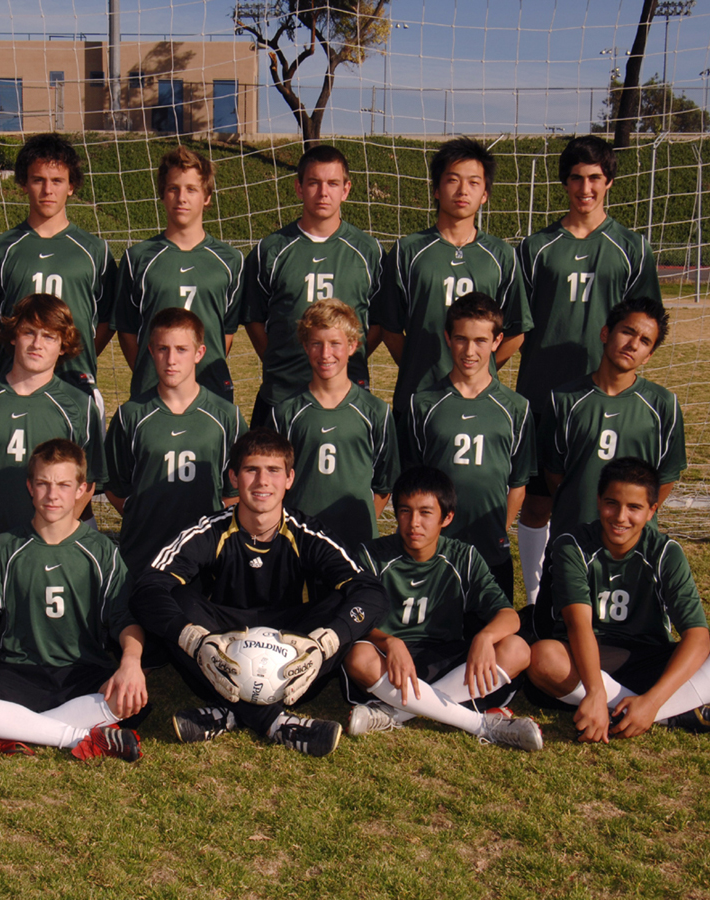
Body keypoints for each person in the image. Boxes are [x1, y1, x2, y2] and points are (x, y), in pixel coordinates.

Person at [130, 429, 389, 757]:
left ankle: (225, 714)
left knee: (341, 602)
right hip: (221, 642)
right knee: (176, 599)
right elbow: (147, 588)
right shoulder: (210, 530)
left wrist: (326, 643)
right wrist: (193, 641)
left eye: (274, 471)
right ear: (234, 477)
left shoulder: (307, 533)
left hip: (291, 645)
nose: (262, 481)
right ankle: (277, 723)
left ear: (290, 478)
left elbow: (371, 592)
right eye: (252, 470)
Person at [515, 135, 663, 605]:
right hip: (543, 392)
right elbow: (517, 323)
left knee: (598, 500)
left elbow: (648, 322)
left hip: (604, 395)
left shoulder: (630, 248)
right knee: (538, 502)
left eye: (595, 178)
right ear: (565, 183)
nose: (586, 187)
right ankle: (541, 596)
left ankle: (604, 596)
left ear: (609, 182)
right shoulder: (537, 247)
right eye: (577, 178)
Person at [0, 439, 144, 762]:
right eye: (44, 484)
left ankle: (2, 731)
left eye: (63, 485)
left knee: (131, 697)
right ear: (30, 487)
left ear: (82, 489)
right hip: (18, 672)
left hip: (82, 671)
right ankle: (80, 735)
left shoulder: (102, 551)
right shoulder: (5, 547)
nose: (52, 494)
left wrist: (131, 661)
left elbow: (125, 620)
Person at [527, 458, 710, 741]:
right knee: (543, 657)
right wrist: (596, 691)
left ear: (652, 511)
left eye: (634, 507)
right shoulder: (572, 546)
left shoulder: (665, 552)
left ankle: (650, 711)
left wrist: (652, 702)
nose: (621, 517)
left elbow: (697, 635)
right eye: (612, 503)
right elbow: (579, 626)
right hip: (586, 659)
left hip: (650, 658)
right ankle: (674, 711)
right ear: (598, 501)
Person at [342, 467, 542, 751]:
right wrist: (388, 640)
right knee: (358, 656)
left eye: (426, 513)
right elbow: (352, 616)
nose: (414, 523)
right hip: (391, 662)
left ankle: (395, 713)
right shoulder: (371, 556)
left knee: (518, 649)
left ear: (446, 518)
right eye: (405, 511)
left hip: (447, 660)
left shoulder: (464, 557)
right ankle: (480, 724)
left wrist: (485, 638)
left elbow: (508, 615)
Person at [374, 137, 530, 423]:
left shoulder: (501, 255)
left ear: (485, 194)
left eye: (473, 182)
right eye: (452, 180)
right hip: (417, 398)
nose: (462, 190)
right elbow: (391, 329)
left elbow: (516, 331)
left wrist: (478, 369)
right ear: (436, 189)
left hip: (478, 401)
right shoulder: (408, 250)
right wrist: (417, 366)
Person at [0, 293, 105, 575]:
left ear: (63, 345)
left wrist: (55, 530)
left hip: (50, 556)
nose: (37, 344)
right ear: (13, 336)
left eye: (49, 336)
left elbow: (89, 481)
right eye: (29, 332)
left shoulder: (79, 406)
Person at [242, 144, 383, 427]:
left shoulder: (369, 251)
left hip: (345, 395)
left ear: (346, 189)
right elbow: (254, 319)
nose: (323, 192)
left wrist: (348, 353)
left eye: (332, 183)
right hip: (281, 393)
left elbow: (380, 321)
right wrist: (280, 359)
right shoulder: (271, 250)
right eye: (314, 183)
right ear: (298, 188)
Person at [406, 293, 535, 599]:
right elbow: (411, 481)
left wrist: (498, 529)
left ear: (497, 340)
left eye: (480, 340)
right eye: (461, 339)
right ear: (448, 338)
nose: (469, 350)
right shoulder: (423, 404)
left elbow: (518, 483)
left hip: (491, 550)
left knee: (493, 639)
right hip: (434, 550)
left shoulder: (516, 408)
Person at [0, 133, 117, 410]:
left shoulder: (95, 250)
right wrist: (21, 355)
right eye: (38, 180)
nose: (47, 190)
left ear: (71, 186)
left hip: (77, 383)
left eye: (57, 181)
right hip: (15, 384)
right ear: (24, 184)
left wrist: (70, 352)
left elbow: (107, 320)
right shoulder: (0, 249)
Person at [105, 307, 242, 574]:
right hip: (143, 554)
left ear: (199, 353)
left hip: (204, 558)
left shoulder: (227, 417)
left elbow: (234, 491)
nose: (171, 360)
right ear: (150, 351)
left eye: (181, 349)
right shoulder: (130, 415)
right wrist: (147, 515)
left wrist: (206, 527)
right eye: (162, 349)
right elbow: (115, 487)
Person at [540, 297, 685, 545]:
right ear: (606, 333)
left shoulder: (663, 404)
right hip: (572, 538)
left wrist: (631, 517)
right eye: (627, 332)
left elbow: (666, 478)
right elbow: (554, 475)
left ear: (648, 355)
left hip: (633, 545)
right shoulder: (563, 400)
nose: (633, 345)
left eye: (644, 341)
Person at [113, 146, 244, 403]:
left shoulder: (230, 260)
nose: (181, 197)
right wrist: (152, 372)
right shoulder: (138, 257)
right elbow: (127, 331)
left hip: (211, 390)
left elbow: (226, 333)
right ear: (162, 194)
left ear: (206, 197)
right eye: (173, 188)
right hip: (151, 392)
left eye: (191, 189)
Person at [269, 298, 399, 549]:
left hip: (356, 542)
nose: (325, 354)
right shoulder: (286, 412)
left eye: (335, 344)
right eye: (316, 344)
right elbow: (273, 480)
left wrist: (361, 522)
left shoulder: (376, 412)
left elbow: (384, 484)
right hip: (299, 540)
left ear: (352, 346)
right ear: (305, 346)